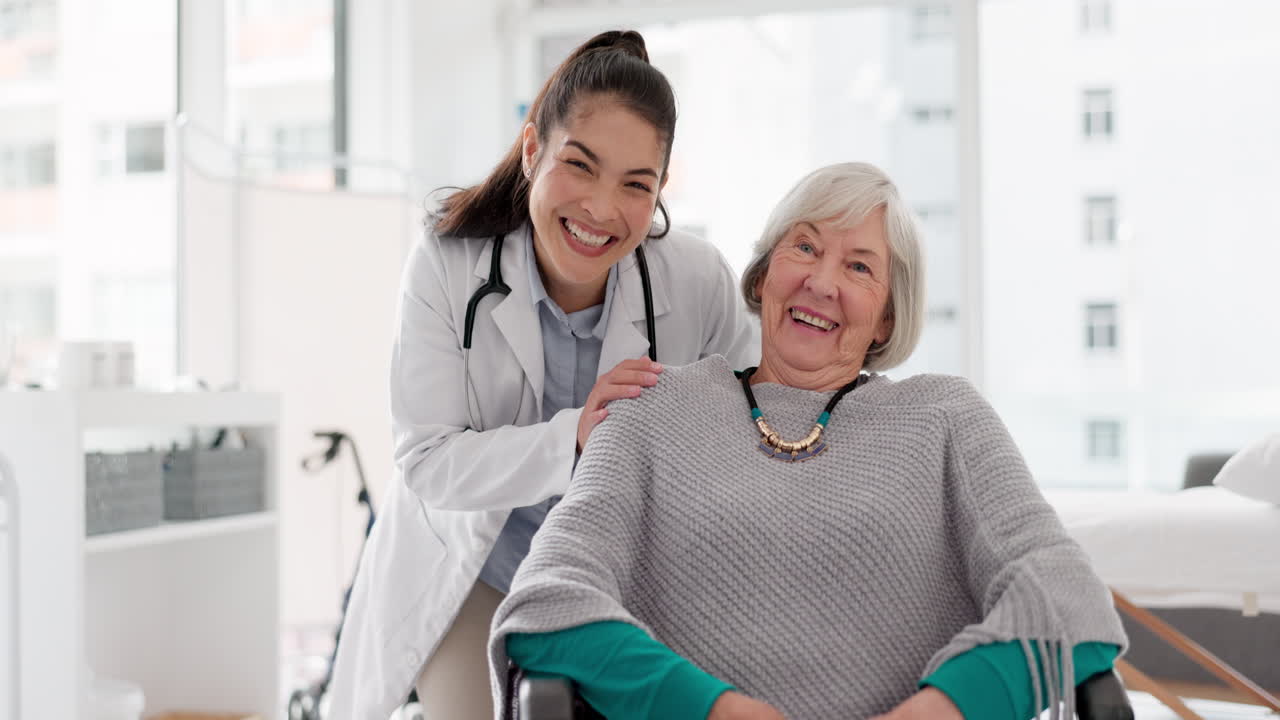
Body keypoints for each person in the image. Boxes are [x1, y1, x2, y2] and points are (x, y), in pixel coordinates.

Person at [488, 162, 1127, 720]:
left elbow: (1064, 592)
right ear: (764, 274)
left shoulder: (945, 416)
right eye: (804, 248)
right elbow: (550, 597)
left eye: (858, 266)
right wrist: (714, 711)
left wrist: (940, 710)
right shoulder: (649, 408)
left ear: (887, 316)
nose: (822, 283)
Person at [326, 30, 759, 720]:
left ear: (660, 192)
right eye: (580, 166)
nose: (599, 208)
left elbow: (757, 411)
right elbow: (428, 461)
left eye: (634, 185)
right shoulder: (447, 263)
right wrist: (576, 440)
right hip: (477, 571)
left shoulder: (696, 278)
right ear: (534, 151)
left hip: (621, 581)